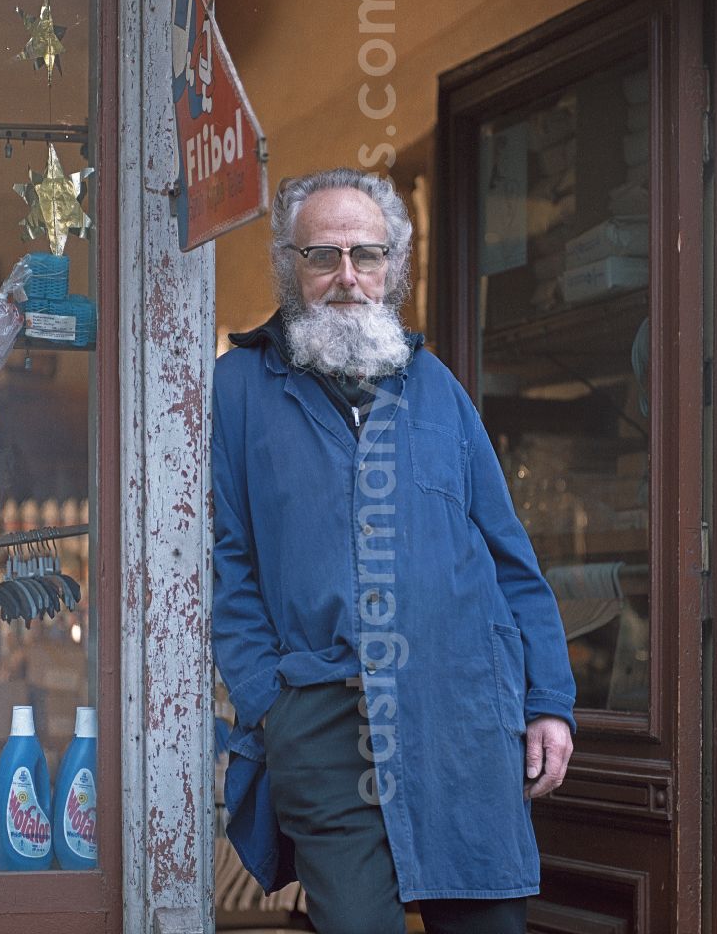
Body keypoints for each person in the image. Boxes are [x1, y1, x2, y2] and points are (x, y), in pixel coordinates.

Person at [212, 167, 575, 934]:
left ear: (392, 269)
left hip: (462, 720)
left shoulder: (437, 387)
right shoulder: (237, 389)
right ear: (290, 266)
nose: (347, 276)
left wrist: (547, 702)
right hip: (323, 720)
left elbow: (511, 558)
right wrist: (268, 700)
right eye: (323, 256)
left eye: (367, 255)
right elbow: (226, 563)